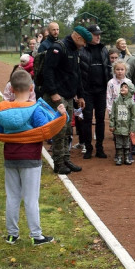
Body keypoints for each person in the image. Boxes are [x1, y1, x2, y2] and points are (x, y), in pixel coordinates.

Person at [0, 70, 56, 245]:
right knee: (31, 198)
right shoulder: (35, 109)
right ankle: (36, 236)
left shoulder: (3, 110)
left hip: (11, 158)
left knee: (12, 196)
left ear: (11, 89)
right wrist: (59, 116)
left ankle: (12, 234)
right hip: (31, 158)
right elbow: (45, 130)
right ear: (31, 87)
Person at [39, 25, 93, 175]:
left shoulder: (75, 50)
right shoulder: (57, 48)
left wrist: (80, 95)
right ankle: (58, 163)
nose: (84, 45)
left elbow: (77, 74)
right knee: (59, 130)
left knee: (68, 129)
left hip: (68, 95)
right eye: (83, 42)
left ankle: (65, 159)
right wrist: (53, 93)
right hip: (57, 95)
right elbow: (47, 71)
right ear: (77, 37)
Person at [78, 23, 111, 159]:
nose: (98, 37)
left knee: (100, 119)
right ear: (88, 35)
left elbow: (108, 68)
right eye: (95, 34)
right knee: (86, 120)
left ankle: (100, 147)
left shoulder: (104, 49)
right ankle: (88, 147)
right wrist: (79, 92)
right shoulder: (81, 50)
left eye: (99, 34)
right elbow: (78, 72)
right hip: (87, 91)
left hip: (101, 90)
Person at [110, 81, 135, 166]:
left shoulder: (132, 103)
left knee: (126, 143)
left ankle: (127, 157)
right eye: (122, 87)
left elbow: (133, 117)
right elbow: (113, 114)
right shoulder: (116, 101)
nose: (123, 88)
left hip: (127, 127)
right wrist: (112, 125)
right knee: (118, 143)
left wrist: (132, 129)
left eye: (125, 87)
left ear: (130, 90)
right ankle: (119, 157)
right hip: (118, 127)